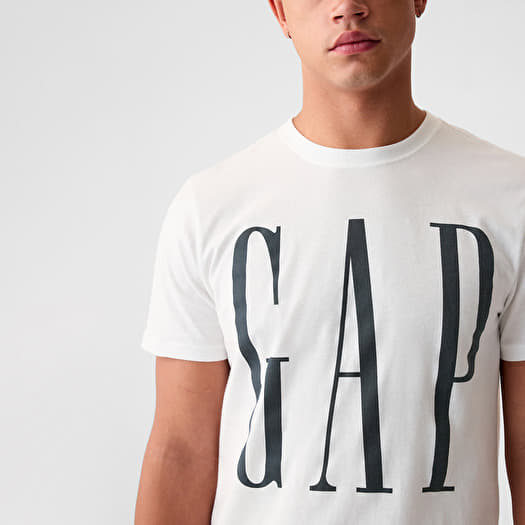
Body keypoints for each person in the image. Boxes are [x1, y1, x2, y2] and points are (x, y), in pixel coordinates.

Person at [135, 0, 525, 523]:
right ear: (280, 11)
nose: (347, 8)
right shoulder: (211, 207)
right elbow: (181, 450)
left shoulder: (509, 199)